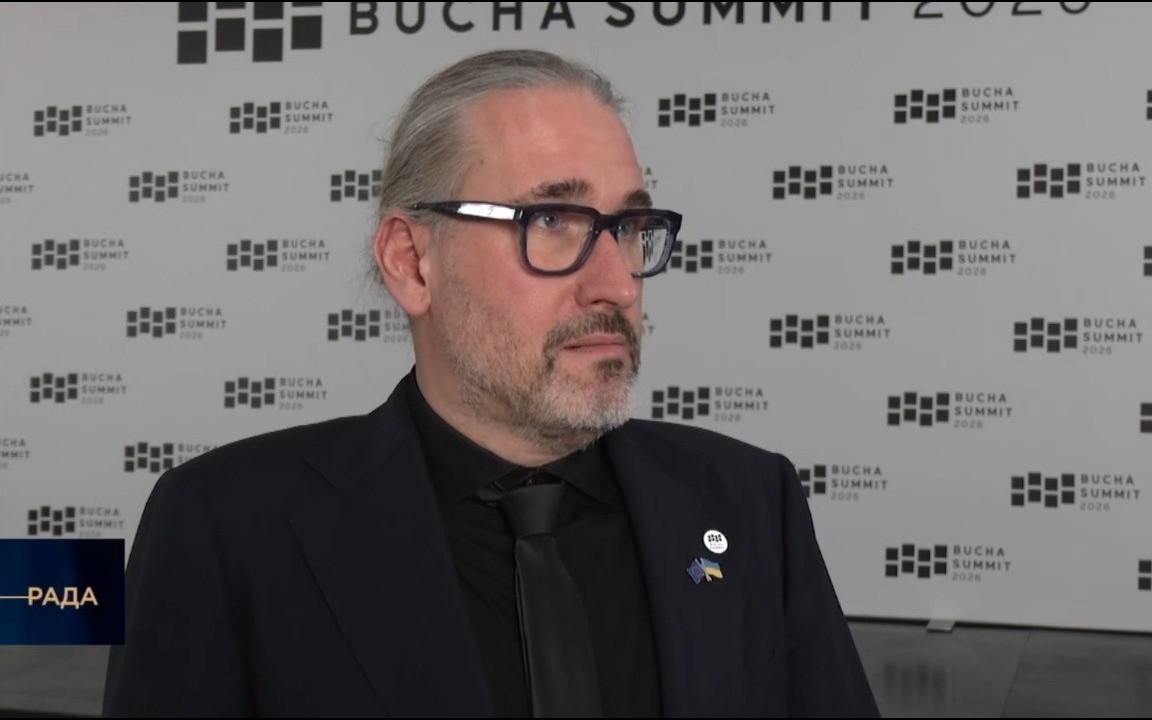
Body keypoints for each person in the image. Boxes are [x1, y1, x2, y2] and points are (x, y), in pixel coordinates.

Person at [102, 49, 879, 718]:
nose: (616, 283)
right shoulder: (228, 525)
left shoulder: (748, 500)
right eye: (552, 222)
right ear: (412, 262)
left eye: (630, 229)